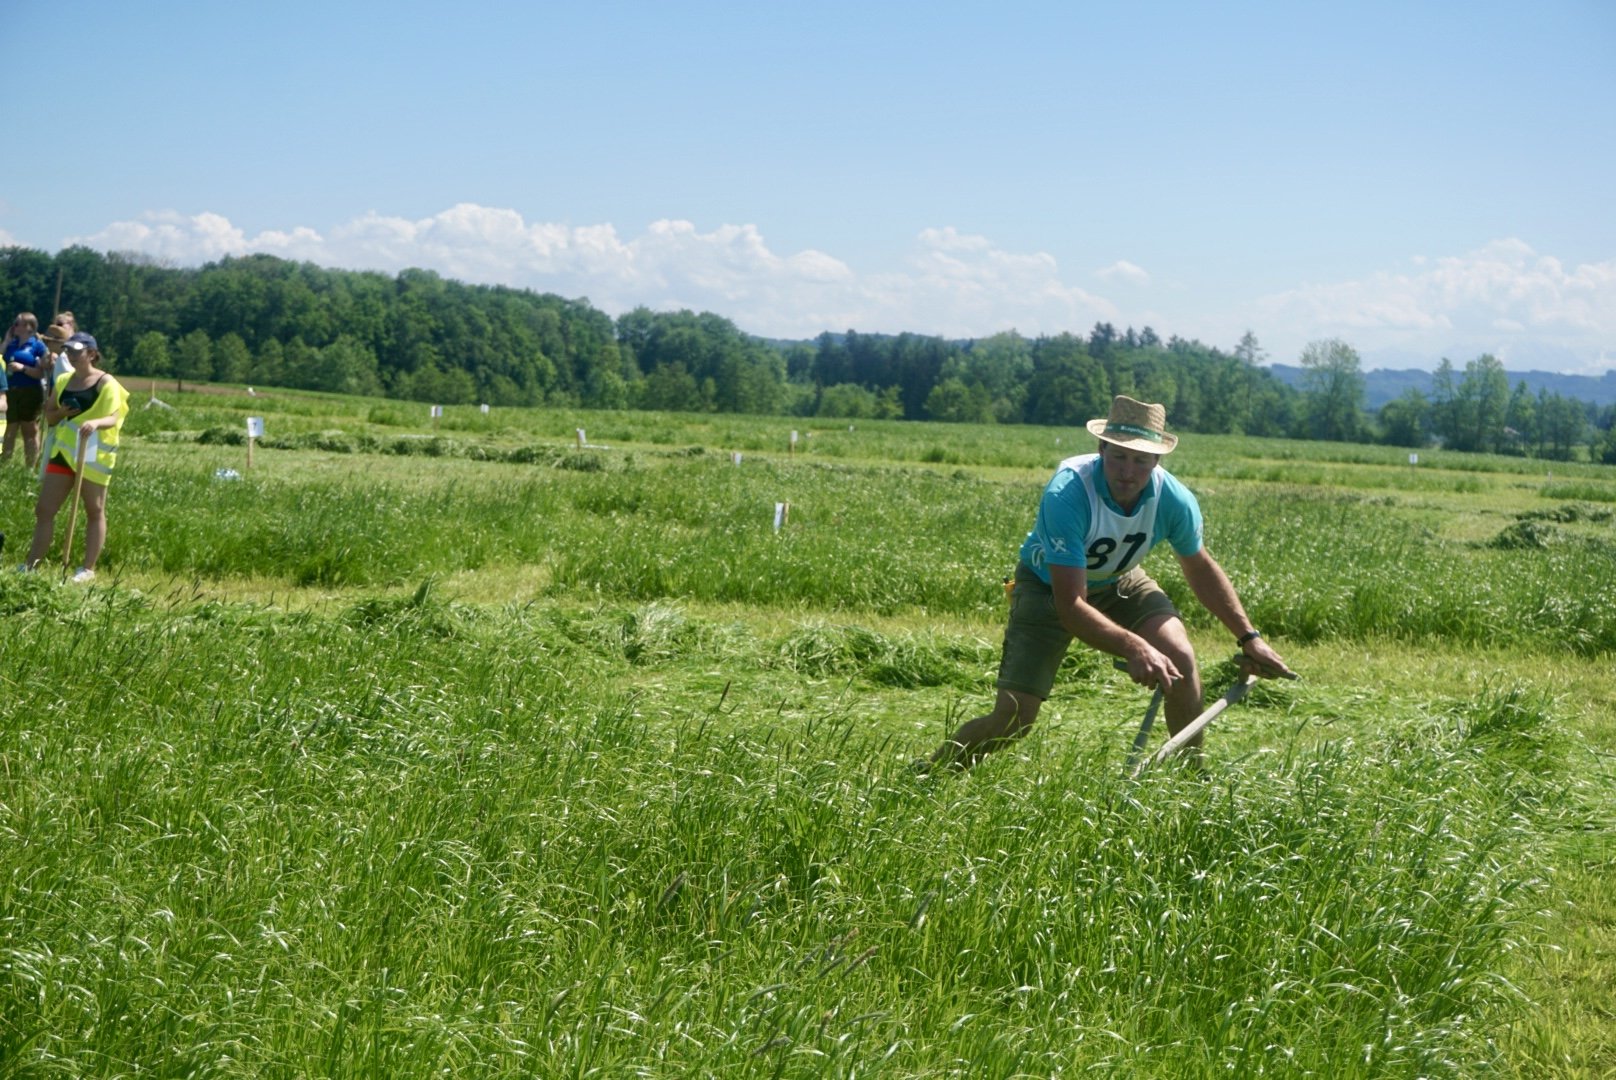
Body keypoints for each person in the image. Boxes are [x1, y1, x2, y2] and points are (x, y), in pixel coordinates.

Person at [924, 395, 1293, 771]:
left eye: (1141, 460)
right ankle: (930, 773)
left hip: (1121, 579)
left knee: (1180, 658)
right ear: (1101, 449)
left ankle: (1191, 779)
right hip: (1047, 587)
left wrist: (1249, 637)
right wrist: (1135, 648)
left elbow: (1199, 567)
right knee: (1014, 720)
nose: (1127, 472)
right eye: (1118, 456)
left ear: (1157, 460)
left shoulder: (1174, 499)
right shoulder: (1068, 493)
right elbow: (1070, 605)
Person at [24, 333, 129, 582]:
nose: (70, 355)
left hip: (93, 452)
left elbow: (114, 416)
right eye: (68, 350)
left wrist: (96, 422)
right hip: (63, 451)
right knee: (44, 509)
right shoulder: (63, 379)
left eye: (76, 351)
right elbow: (50, 416)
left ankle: (87, 569)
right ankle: (30, 566)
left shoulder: (106, 382)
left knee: (94, 509)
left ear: (91, 354)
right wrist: (61, 412)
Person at [3, 312, 49, 467]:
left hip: (30, 391)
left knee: (29, 429)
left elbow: (42, 372)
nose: (14, 326)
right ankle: (5, 464)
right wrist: (6, 340)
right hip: (10, 390)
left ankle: (30, 466)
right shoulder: (12, 344)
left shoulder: (37, 346)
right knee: (10, 428)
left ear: (29, 326)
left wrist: (22, 368)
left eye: (17, 323)